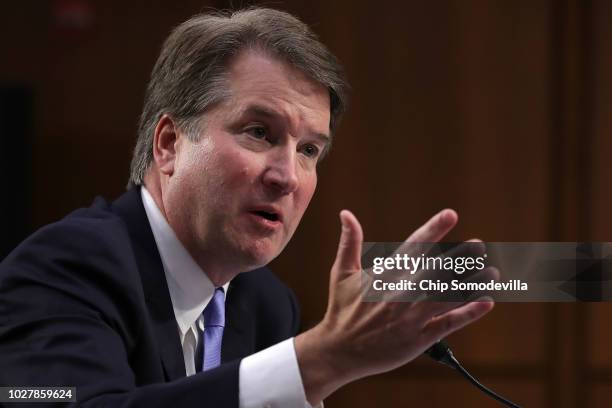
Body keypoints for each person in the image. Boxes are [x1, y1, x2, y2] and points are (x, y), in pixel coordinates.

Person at [0, 7, 495, 407]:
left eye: (309, 151)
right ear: (170, 144)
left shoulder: (265, 305)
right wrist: (319, 361)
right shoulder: (62, 271)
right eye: (259, 132)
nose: (286, 177)